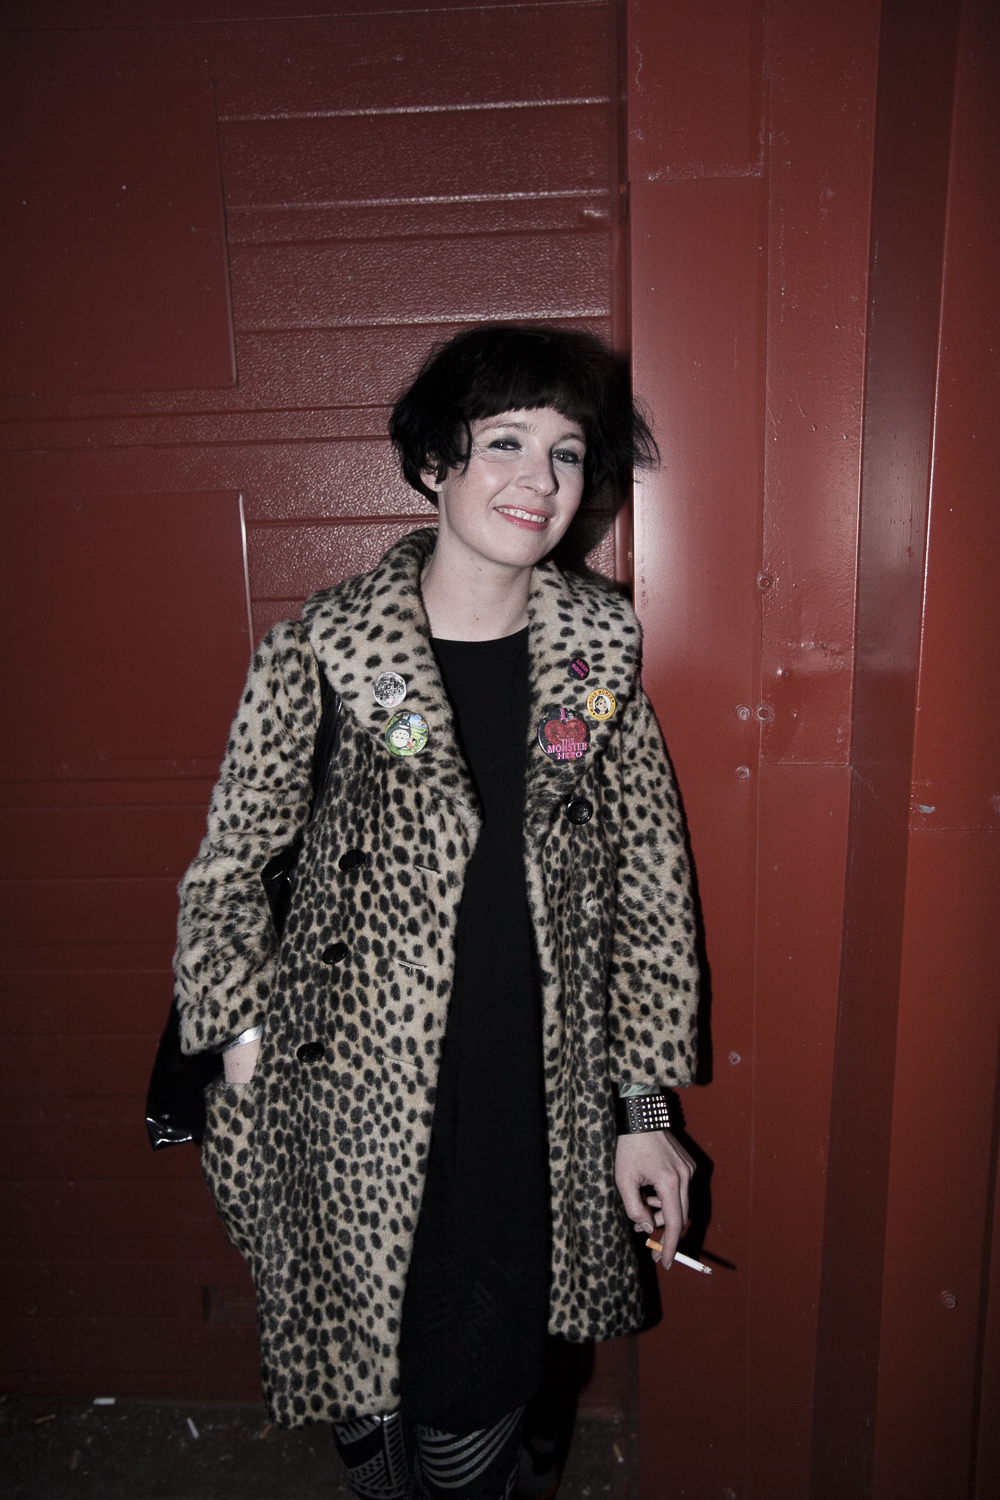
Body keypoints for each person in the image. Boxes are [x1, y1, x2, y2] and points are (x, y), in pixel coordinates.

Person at [173, 324, 699, 1500]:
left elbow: (650, 897)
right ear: (432, 462)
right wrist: (247, 1049)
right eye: (505, 441)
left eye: (567, 452)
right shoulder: (321, 655)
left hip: (526, 1109)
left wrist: (642, 1108)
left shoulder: (595, 667)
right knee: (369, 1400)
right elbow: (225, 877)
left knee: (472, 1406)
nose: (538, 478)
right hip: (343, 1110)